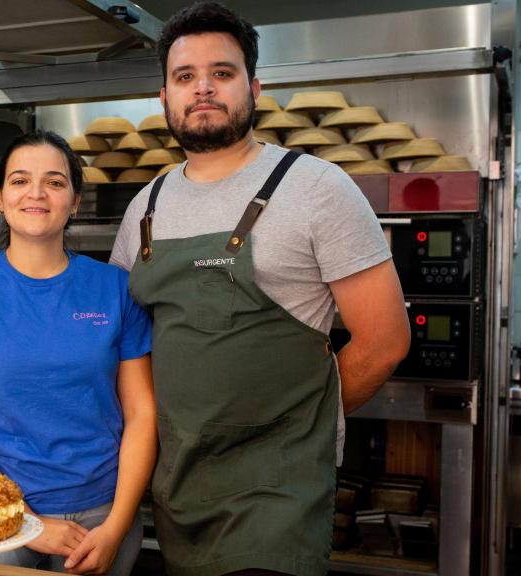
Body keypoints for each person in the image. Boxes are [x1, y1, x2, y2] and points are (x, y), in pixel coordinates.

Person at [108, 3, 411, 575]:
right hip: (177, 482)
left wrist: (300, 428)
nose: (203, 89)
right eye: (184, 77)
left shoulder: (318, 188)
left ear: (255, 86)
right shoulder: (144, 207)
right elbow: (129, 344)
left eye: (222, 73)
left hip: (276, 492)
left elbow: (384, 341)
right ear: (165, 98)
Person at [0, 131, 157, 576]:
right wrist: (23, 519)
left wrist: (120, 523)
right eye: (20, 180)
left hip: (102, 518)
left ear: (74, 199)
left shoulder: (114, 289)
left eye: (54, 181)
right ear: (0, 197)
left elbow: (142, 414)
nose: (36, 193)